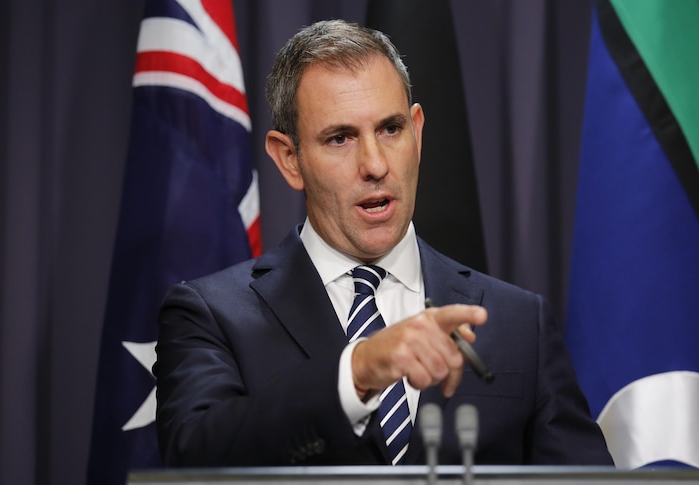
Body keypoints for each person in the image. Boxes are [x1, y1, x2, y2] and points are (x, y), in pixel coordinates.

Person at [154, 19, 613, 467]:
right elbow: (196, 452)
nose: (374, 164)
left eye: (390, 130)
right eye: (340, 138)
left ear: (417, 132)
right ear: (290, 159)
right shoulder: (211, 315)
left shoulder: (517, 323)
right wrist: (357, 372)